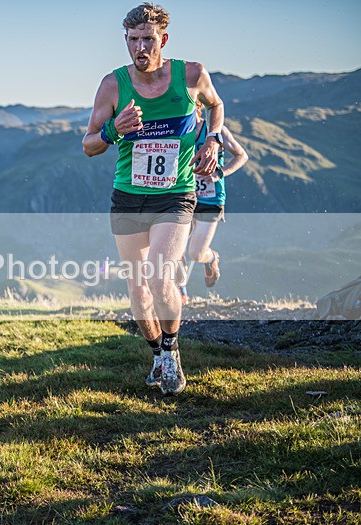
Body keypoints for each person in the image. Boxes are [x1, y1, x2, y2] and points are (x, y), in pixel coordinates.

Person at [82, 3, 224, 395]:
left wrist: (213, 139)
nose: (140, 47)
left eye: (147, 39)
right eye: (133, 40)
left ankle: (172, 352)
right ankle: (158, 354)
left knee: (161, 277)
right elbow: (89, 144)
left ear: (163, 39)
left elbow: (216, 105)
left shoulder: (191, 75)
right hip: (128, 197)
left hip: (175, 195)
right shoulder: (113, 85)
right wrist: (113, 129)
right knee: (138, 290)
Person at [177, 100, 248, 303]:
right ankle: (180, 290)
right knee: (175, 246)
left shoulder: (215, 132)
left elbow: (241, 156)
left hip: (210, 199)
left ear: (197, 107)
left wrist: (219, 173)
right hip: (183, 197)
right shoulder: (177, 131)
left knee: (195, 253)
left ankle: (211, 258)